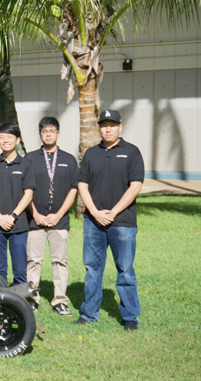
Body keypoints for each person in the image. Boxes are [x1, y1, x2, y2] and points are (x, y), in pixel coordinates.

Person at [74, 110, 144, 331]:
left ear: (120, 127)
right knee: (93, 269)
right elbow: (82, 185)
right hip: (93, 223)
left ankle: (130, 317)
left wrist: (113, 212)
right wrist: (94, 212)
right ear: (99, 128)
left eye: (112, 125)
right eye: (104, 125)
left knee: (125, 269)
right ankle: (89, 314)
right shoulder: (91, 153)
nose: (108, 129)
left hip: (122, 222)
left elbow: (136, 186)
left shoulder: (132, 152)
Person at [25, 117, 78, 315]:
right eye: (45, 131)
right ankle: (32, 299)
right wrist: (36, 214)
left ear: (58, 133)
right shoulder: (29, 159)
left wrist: (58, 215)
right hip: (35, 220)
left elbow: (74, 190)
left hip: (59, 221)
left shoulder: (68, 159)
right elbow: (25, 190)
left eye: (52, 131)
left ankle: (60, 300)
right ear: (40, 134)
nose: (48, 134)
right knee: (33, 261)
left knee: (60, 261)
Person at [0, 123, 35, 286]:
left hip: (19, 224)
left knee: (20, 269)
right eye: (1, 137)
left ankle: (21, 303)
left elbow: (28, 194)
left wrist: (12, 216)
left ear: (17, 139)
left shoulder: (26, 165)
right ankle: (1, 301)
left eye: (9, 137)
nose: (5, 140)